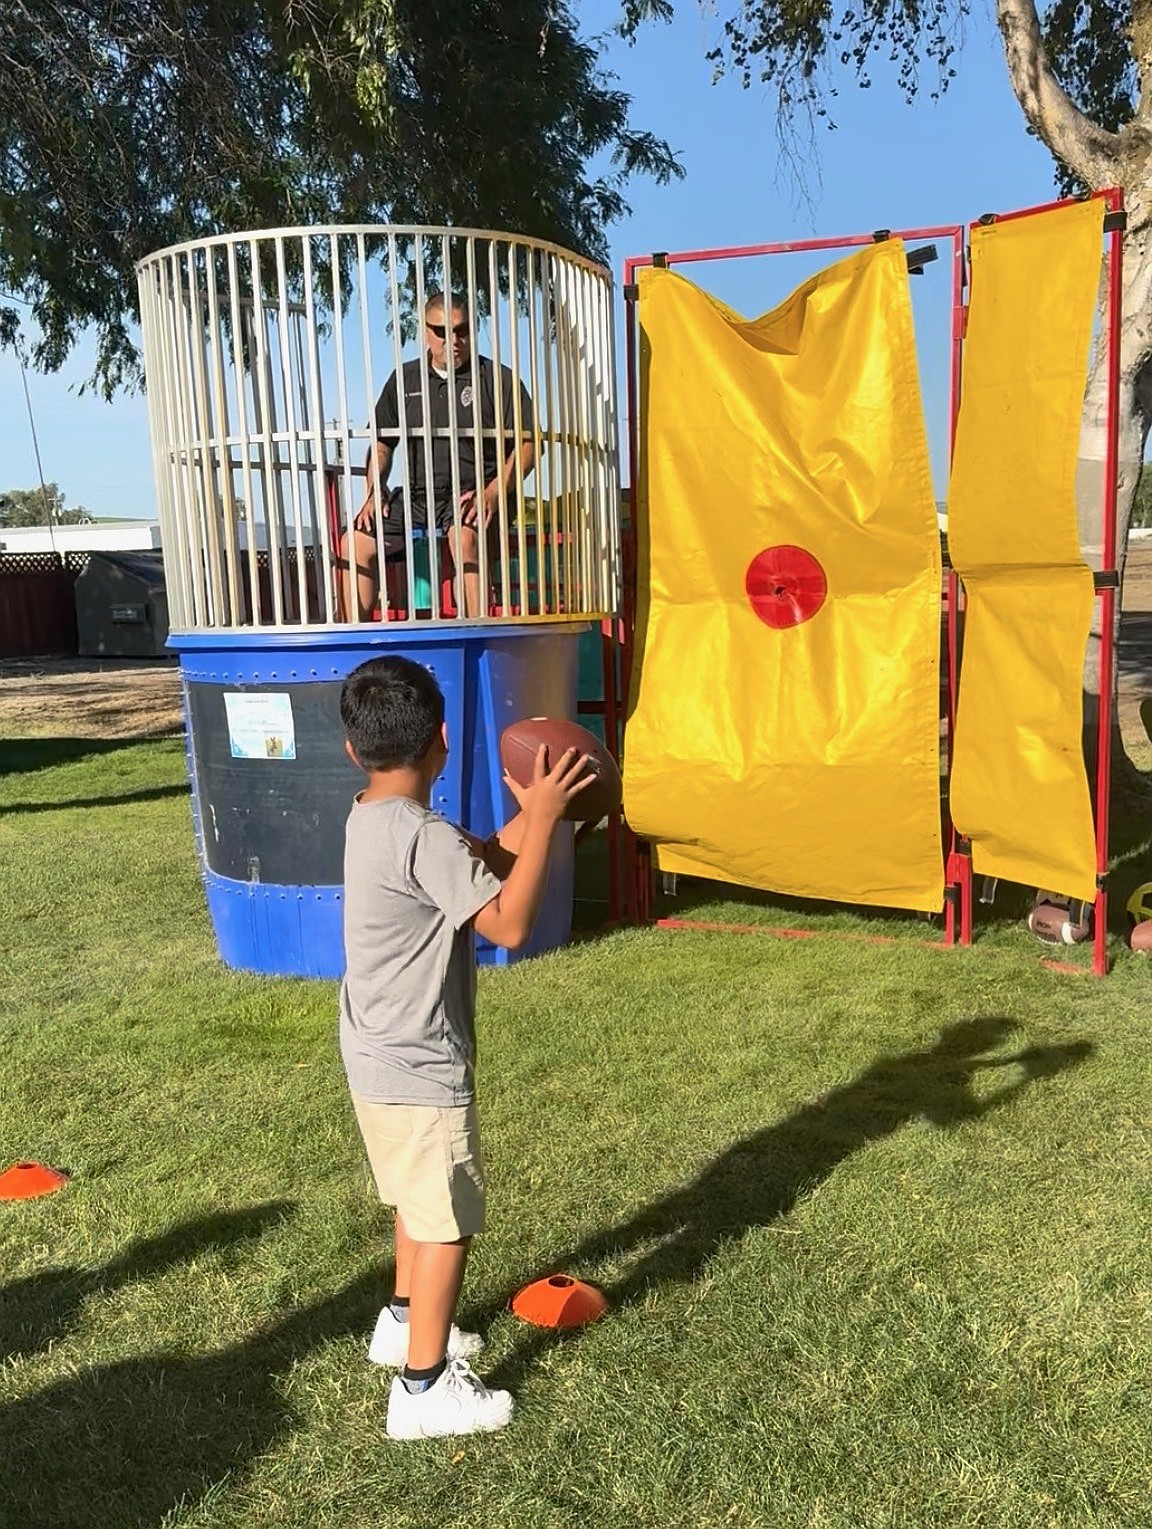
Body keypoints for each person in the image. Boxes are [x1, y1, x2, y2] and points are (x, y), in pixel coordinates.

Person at [338, 655, 591, 1439]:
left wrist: (544, 814)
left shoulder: (372, 817)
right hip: (421, 1063)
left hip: (375, 1054)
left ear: (354, 749)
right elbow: (507, 923)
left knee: (416, 1202)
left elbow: (479, 862)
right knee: (446, 1220)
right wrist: (545, 820)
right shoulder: (422, 835)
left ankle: (403, 1321)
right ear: (444, 740)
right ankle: (423, 1390)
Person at [339, 292, 535, 621]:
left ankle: (476, 637)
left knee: (464, 536)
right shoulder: (405, 379)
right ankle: (353, 645)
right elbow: (381, 442)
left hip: (472, 495)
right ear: (425, 331)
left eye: (460, 331)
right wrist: (375, 490)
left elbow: (529, 444)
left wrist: (492, 492)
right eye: (441, 331)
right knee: (353, 542)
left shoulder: (496, 379)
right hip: (419, 495)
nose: (451, 340)